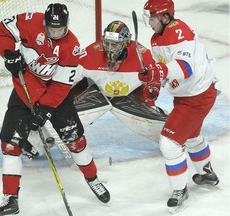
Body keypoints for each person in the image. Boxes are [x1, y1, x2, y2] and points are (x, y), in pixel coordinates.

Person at [0, 3, 110, 216]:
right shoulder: (29, 22)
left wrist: (45, 110)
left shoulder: (71, 46)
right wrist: (9, 53)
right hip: (24, 91)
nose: (55, 33)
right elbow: (4, 30)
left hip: (56, 97)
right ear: (44, 23)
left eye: (60, 29)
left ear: (66, 25)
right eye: (51, 29)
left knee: (75, 140)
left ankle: (93, 179)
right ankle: (10, 199)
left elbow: (61, 86)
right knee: (10, 145)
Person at [141, 0, 220, 213]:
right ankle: (207, 173)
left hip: (197, 97)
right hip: (187, 95)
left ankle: (180, 190)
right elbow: (163, 70)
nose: (149, 22)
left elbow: (185, 68)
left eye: (153, 18)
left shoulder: (179, 33)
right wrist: (153, 84)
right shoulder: (156, 38)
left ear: (165, 17)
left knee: (169, 143)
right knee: (191, 137)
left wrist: (159, 73)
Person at [71, 20, 167, 139]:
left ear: (125, 43)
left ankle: (172, 134)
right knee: (65, 119)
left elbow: (155, 80)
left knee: (152, 127)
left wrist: (152, 91)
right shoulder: (90, 53)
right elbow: (67, 81)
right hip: (97, 94)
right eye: (107, 43)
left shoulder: (142, 56)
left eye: (114, 44)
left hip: (132, 96)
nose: (110, 48)